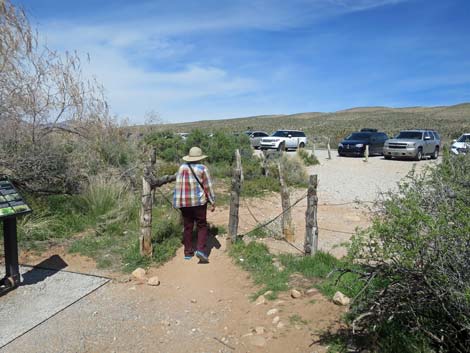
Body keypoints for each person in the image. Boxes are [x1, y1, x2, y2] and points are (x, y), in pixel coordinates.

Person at [173, 146, 216, 263]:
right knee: (202, 225)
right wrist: (212, 201)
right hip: (198, 202)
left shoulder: (182, 167)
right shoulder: (203, 168)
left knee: (187, 226)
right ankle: (200, 250)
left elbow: (177, 185)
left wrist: (176, 201)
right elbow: (208, 187)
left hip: (184, 202)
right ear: (200, 158)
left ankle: (188, 252)